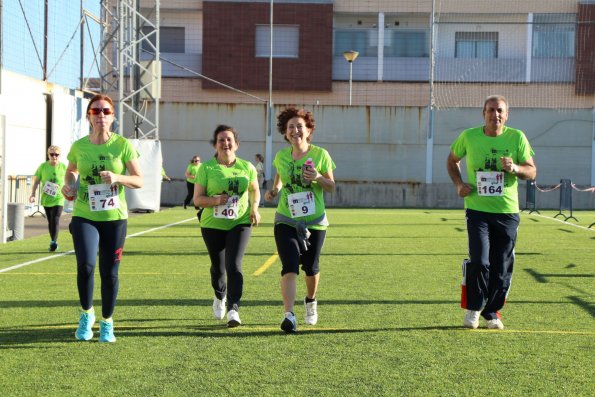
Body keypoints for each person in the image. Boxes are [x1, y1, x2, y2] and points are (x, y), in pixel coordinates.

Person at [446, 95, 536, 330]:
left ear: (506, 115)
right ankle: (474, 308)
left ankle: (492, 311)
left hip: (507, 212)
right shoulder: (469, 136)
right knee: (479, 260)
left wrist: (515, 168)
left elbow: (532, 171)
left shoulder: (517, 137)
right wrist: (459, 184)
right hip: (477, 210)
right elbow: (452, 160)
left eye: (500, 111)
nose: (495, 114)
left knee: (501, 264)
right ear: (483, 113)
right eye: (490, 110)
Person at [62, 94, 143, 343]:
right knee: (86, 266)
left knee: (110, 273)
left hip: (114, 218)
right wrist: (70, 187)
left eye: (106, 111)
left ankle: (107, 321)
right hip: (85, 214)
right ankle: (87, 314)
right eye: (96, 111)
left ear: (113, 116)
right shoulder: (79, 146)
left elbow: (139, 180)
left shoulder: (122, 145)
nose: (101, 116)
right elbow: (71, 172)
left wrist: (118, 178)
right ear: (88, 116)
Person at [264, 106, 336, 333]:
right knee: (290, 265)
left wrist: (317, 177)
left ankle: (311, 301)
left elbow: (332, 187)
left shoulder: (320, 155)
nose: (295, 130)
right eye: (290, 127)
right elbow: (279, 179)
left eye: (300, 126)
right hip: (286, 218)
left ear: (309, 130)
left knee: (311, 267)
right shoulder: (281, 156)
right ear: (285, 133)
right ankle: (289, 315)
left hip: (315, 220)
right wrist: (274, 190)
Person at [193, 125, 260, 327]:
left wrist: (254, 208)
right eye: (221, 140)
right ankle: (219, 294)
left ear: (237, 144)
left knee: (234, 265)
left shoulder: (247, 167)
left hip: (240, 222)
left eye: (229, 139)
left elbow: (254, 190)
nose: (226, 143)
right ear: (215, 145)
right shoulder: (206, 168)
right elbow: (197, 199)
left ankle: (233, 308)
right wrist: (216, 201)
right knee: (218, 268)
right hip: (212, 225)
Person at [29, 145, 67, 252]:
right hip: (46, 198)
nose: (54, 157)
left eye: (57, 155)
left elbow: (70, 178)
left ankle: (53, 242)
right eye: (52, 154)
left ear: (59, 156)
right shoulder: (43, 167)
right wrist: (32, 194)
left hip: (59, 198)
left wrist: (70, 188)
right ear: (48, 155)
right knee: (50, 221)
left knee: (55, 219)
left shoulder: (63, 167)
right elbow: (36, 181)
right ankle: (53, 240)